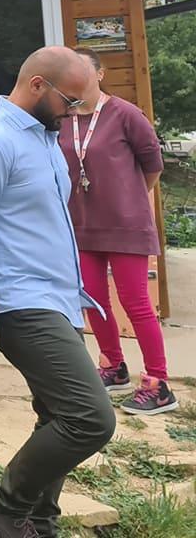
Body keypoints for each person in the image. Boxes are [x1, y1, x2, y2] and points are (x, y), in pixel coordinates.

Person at [0, 46, 115, 538]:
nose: (74, 112)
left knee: (57, 415)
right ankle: (1, 506)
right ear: (38, 85)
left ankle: (38, 523)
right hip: (18, 302)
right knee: (90, 419)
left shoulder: (44, 137)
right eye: (70, 100)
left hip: (56, 298)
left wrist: (74, 298)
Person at [61, 49, 174, 414]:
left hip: (126, 225)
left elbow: (152, 165)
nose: (75, 78)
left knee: (136, 303)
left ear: (100, 74)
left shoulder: (125, 114)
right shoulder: (64, 118)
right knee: (92, 297)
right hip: (81, 224)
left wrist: (130, 201)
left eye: (82, 70)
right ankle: (113, 366)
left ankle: (158, 384)